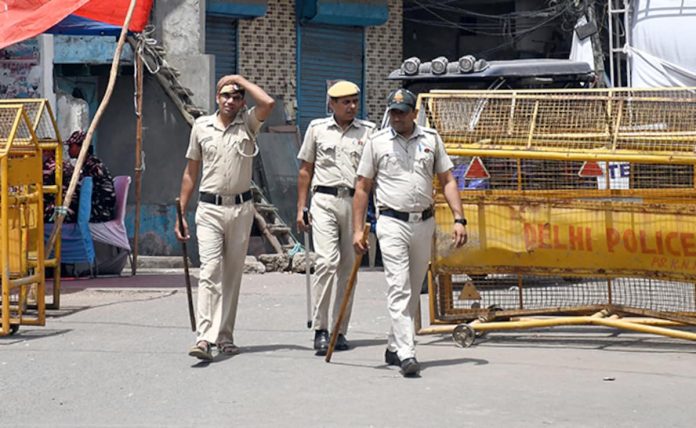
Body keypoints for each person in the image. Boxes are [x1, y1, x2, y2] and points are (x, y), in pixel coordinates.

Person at [352, 88, 468, 377]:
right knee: (399, 287)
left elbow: (447, 180)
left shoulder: (431, 139)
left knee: (414, 288)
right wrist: (357, 230)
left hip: (423, 222)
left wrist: (459, 218)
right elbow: (362, 187)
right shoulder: (377, 142)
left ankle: (393, 345)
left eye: (403, 112)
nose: (397, 117)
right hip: (391, 222)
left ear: (414, 113)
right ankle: (407, 352)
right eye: (393, 112)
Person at [175, 75, 274, 361]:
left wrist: (239, 79)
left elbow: (268, 103)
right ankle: (204, 338)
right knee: (210, 271)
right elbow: (191, 172)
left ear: (243, 102)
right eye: (226, 95)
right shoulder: (201, 126)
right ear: (217, 98)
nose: (231, 101)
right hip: (209, 209)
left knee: (232, 274)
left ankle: (225, 335)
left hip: (241, 209)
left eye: (237, 97)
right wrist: (181, 213)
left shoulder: (249, 124)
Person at [296, 81, 376, 356]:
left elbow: (374, 175)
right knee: (327, 263)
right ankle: (321, 329)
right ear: (331, 104)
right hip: (324, 200)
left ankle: (339, 329)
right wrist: (301, 207)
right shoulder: (317, 129)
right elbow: (305, 170)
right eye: (345, 102)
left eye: (355, 101)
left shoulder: (369, 132)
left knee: (348, 269)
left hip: (355, 203)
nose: (352, 106)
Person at [44, 130, 116, 223]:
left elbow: (82, 192)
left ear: (81, 146)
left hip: (98, 212)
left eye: (71, 146)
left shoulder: (92, 166)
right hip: (93, 208)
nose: (68, 149)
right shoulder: (86, 164)